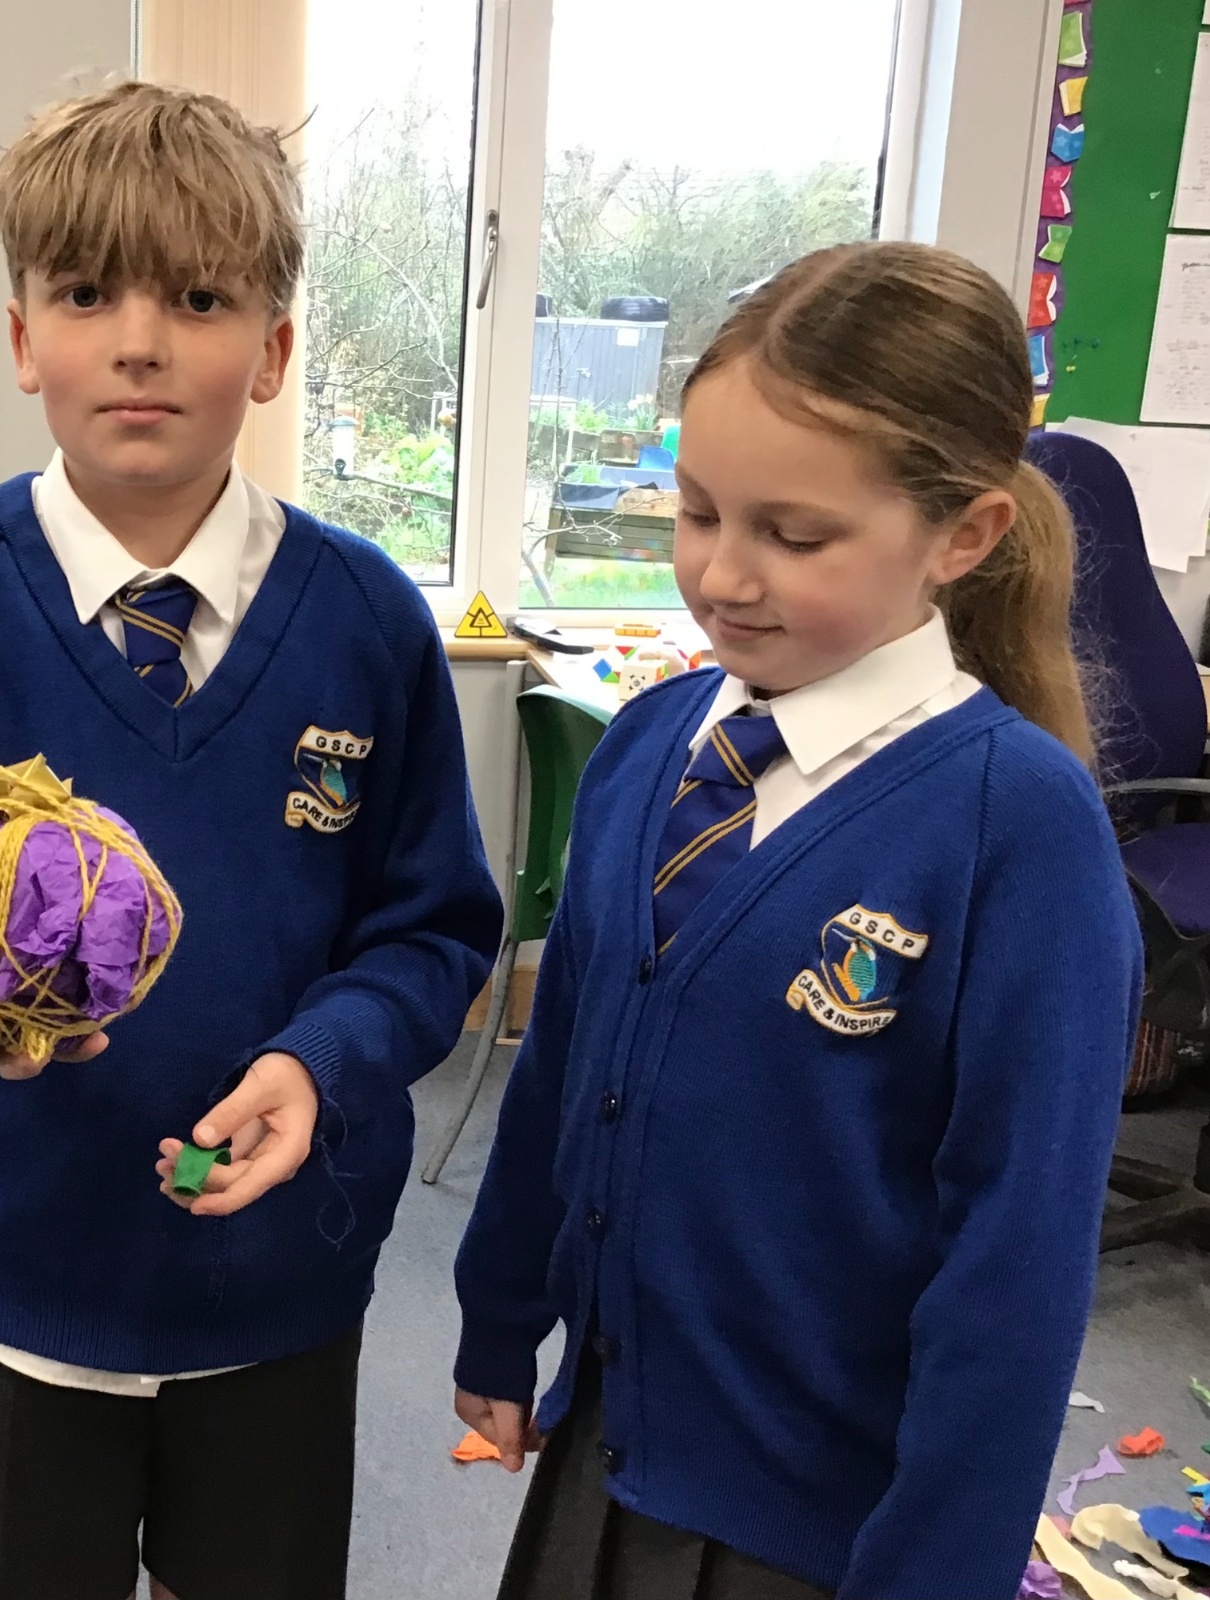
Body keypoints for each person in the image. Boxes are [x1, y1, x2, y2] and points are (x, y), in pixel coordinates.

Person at [0, 82, 502, 1600]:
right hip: (21, 1263)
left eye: (196, 298)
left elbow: (435, 927)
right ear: (19, 339)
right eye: (85, 294)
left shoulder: (367, 618)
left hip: (279, 1273)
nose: (138, 341)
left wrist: (324, 1059)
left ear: (273, 349)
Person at [451, 241, 1141, 1600]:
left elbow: (1014, 1264)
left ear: (962, 536)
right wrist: (500, 1312)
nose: (721, 575)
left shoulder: (1019, 828)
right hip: (612, 1437)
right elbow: (564, 1064)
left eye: (794, 535)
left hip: (825, 1524)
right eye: (698, 511)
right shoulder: (649, 746)